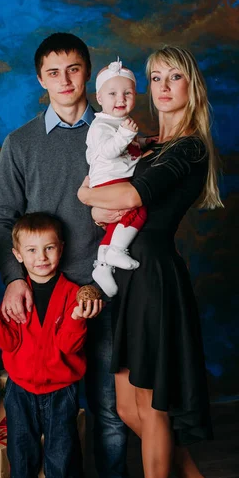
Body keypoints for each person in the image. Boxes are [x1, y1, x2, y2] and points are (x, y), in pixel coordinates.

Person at [77, 45, 230, 478]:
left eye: (175, 78)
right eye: (156, 77)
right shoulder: (148, 146)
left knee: (153, 406)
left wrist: (87, 197)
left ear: (191, 88)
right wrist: (100, 198)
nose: (163, 87)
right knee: (128, 406)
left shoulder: (188, 148)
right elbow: (105, 187)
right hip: (130, 279)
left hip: (156, 278)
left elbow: (124, 198)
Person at [0, 33, 135, 478]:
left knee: (110, 408)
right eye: (54, 72)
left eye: (74, 70)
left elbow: (135, 207)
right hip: (43, 298)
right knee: (43, 415)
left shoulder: (114, 136)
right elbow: (2, 218)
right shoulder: (21, 143)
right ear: (40, 79)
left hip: (103, 289)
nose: (65, 80)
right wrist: (12, 279)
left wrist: (102, 278)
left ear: (88, 74)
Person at [0, 212, 102, 478]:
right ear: (18, 254)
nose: (41, 258)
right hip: (21, 390)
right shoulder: (16, 294)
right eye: (31, 250)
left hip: (61, 391)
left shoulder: (74, 293)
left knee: (62, 460)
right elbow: (9, 341)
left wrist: (76, 317)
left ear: (61, 249)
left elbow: (67, 346)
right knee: (22, 455)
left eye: (49, 248)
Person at [86, 58, 152, 298]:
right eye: (112, 93)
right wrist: (126, 134)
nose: (120, 99)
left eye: (127, 93)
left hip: (114, 179)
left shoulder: (118, 123)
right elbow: (109, 150)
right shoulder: (101, 126)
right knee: (137, 210)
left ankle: (102, 265)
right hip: (109, 180)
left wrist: (143, 141)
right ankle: (117, 249)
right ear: (99, 98)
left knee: (115, 223)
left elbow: (129, 146)